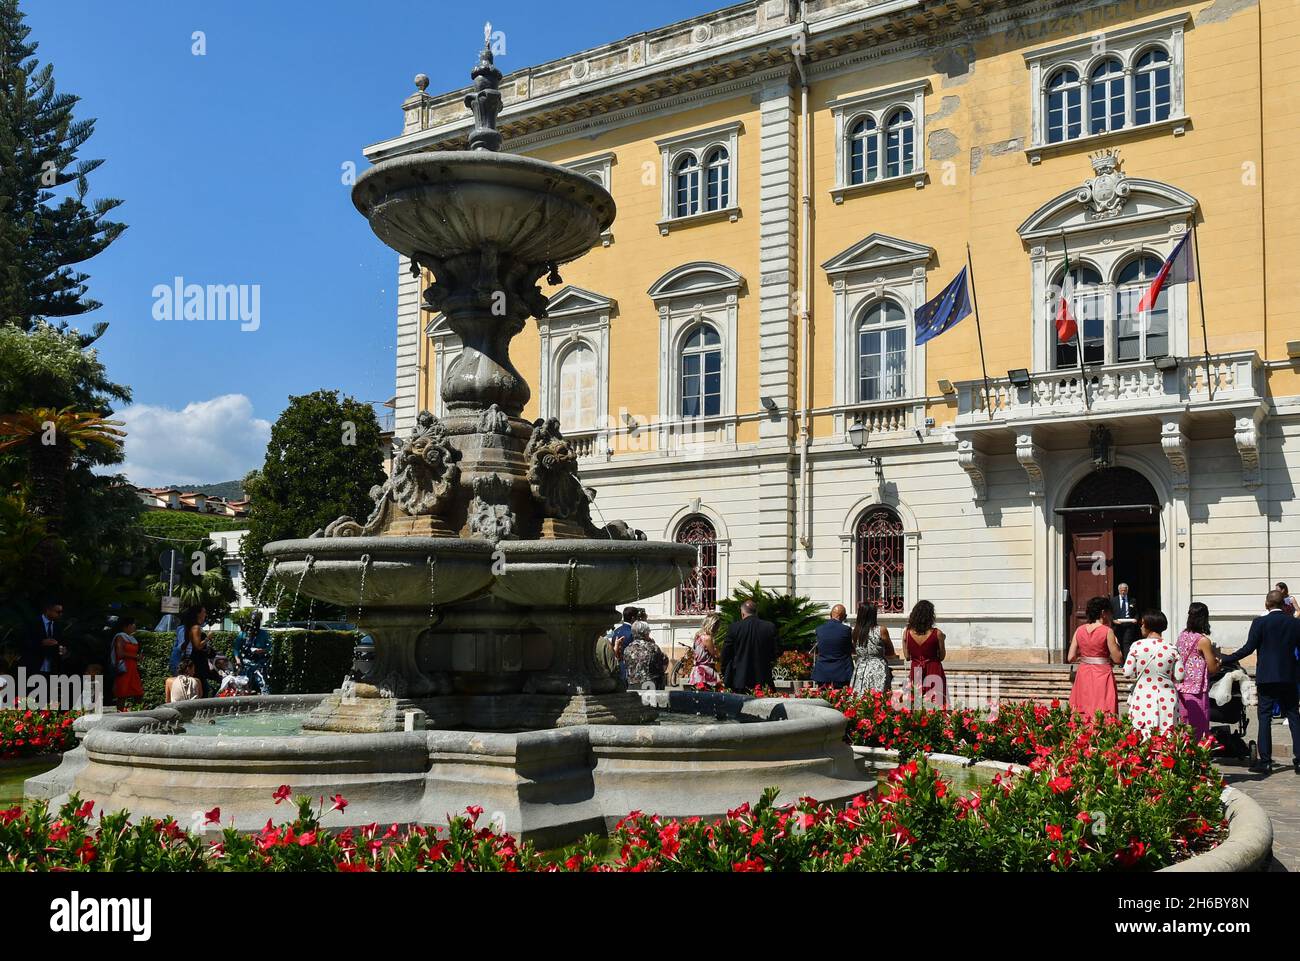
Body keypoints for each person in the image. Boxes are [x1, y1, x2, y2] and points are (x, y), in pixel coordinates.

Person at [1218, 590, 1300, 774]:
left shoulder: (1260, 622)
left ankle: (1266, 761)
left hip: (1267, 676)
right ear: (1283, 605)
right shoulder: (1294, 623)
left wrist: (1227, 659)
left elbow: (1248, 648)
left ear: (1266, 604)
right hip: (1289, 676)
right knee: (1294, 716)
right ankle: (1299, 760)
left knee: (1264, 718)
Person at [1123, 611, 1184, 737]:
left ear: (1148, 626)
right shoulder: (1172, 648)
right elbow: (1180, 676)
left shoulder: (1137, 646)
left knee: (1142, 735)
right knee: (1166, 735)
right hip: (1167, 696)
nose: (1141, 627)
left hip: (1143, 695)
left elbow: (1127, 672)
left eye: (1142, 624)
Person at [1067, 596, 1121, 717]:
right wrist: (1117, 645)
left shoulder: (1079, 630)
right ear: (1103, 613)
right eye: (1110, 613)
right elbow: (1118, 659)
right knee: (1102, 707)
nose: (1111, 616)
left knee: (1084, 707)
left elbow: (1070, 657)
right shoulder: (1107, 631)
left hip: (1083, 671)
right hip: (1102, 673)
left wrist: (1083, 658)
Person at [1174, 603, 1220, 739]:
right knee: (1198, 729)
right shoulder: (1203, 640)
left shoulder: (1183, 635)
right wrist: (1219, 663)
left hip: (1180, 687)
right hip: (1196, 689)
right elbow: (1212, 668)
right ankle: (1197, 757)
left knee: (1183, 726)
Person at [721, 599, 778, 694]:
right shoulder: (769, 627)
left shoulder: (734, 628)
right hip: (763, 676)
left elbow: (726, 653)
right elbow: (776, 651)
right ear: (756, 612)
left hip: (739, 679)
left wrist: (725, 671)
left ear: (742, 613)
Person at [902, 600, 947, 708]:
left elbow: (907, 657)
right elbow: (941, 657)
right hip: (934, 669)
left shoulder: (907, 633)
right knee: (935, 703)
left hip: (916, 669)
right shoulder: (938, 633)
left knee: (916, 703)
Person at [849, 602, 893, 694]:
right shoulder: (881, 630)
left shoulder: (855, 632)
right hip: (878, 668)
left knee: (860, 696)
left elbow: (853, 649)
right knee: (878, 697)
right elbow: (890, 651)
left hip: (860, 667)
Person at [171, 606, 215, 697]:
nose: (205, 614)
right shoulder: (196, 628)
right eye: (204, 612)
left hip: (197, 661)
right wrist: (208, 638)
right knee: (201, 688)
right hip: (196, 662)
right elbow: (198, 646)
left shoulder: (192, 627)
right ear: (198, 614)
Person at [811, 604, 854, 689]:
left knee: (823, 699)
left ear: (831, 614)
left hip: (822, 671)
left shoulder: (819, 629)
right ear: (842, 616)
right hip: (842, 671)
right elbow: (849, 649)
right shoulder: (846, 630)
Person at [22, 599, 66, 678]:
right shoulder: (33, 623)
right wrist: (42, 642)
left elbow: (61, 643)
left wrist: (62, 650)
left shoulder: (59, 626)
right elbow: (24, 642)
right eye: (58, 612)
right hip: (34, 666)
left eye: (61, 612)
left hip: (52, 668)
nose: (60, 614)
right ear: (48, 610)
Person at [233, 611, 274, 695]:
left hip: (260, 660)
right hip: (247, 661)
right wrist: (237, 660)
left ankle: (265, 696)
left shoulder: (264, 634)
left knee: (261, 678)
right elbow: (236, 648)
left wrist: (262, 650)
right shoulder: (243, 634)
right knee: (245, 678)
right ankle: (245, 694)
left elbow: (270, 648)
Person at [623, 621, 667, 690]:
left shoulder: (627, 649)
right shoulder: (653, 647)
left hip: (632, 685)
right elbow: (663, 663)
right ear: (646, 633)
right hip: (649, 685)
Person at [110, 616, 144, 706]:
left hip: (133, 668)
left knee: (138, 693)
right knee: (122, 694)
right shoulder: (120, 637)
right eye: (133, 624)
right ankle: (120, 714)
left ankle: (138, 713)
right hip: (124, 668)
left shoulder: (132, 638)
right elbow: (120, 653)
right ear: (127, 626)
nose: (135, 626)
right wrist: (136, 656)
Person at [687, 612, 722, 688]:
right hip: (706, 671)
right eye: (717, 626)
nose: (718, 629)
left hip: (697, 671)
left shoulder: (698, 635)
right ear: (712, 625)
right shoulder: (707, 638)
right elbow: (715, 655)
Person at [1110, 583, 1140, 656]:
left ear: (1127, 590)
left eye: (1124, 590)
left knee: (1126, 642)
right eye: (1121, 590)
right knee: (1118, 642)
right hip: (1117, 625)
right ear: (1118, 590)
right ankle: (1119, 660)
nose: (1123, 592)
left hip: (1129, 624)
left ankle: (1126, 661)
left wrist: (1136, 619)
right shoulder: (1113, 600)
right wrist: (1113, 620)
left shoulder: (1132, 600)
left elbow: (1137, 612)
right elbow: (1110, 613)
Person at [612, 606, 637, 685]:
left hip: (617, 664)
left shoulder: (616, 631)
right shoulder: (632, 632)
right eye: (637, 618)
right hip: (628, 667)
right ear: (633, 618)